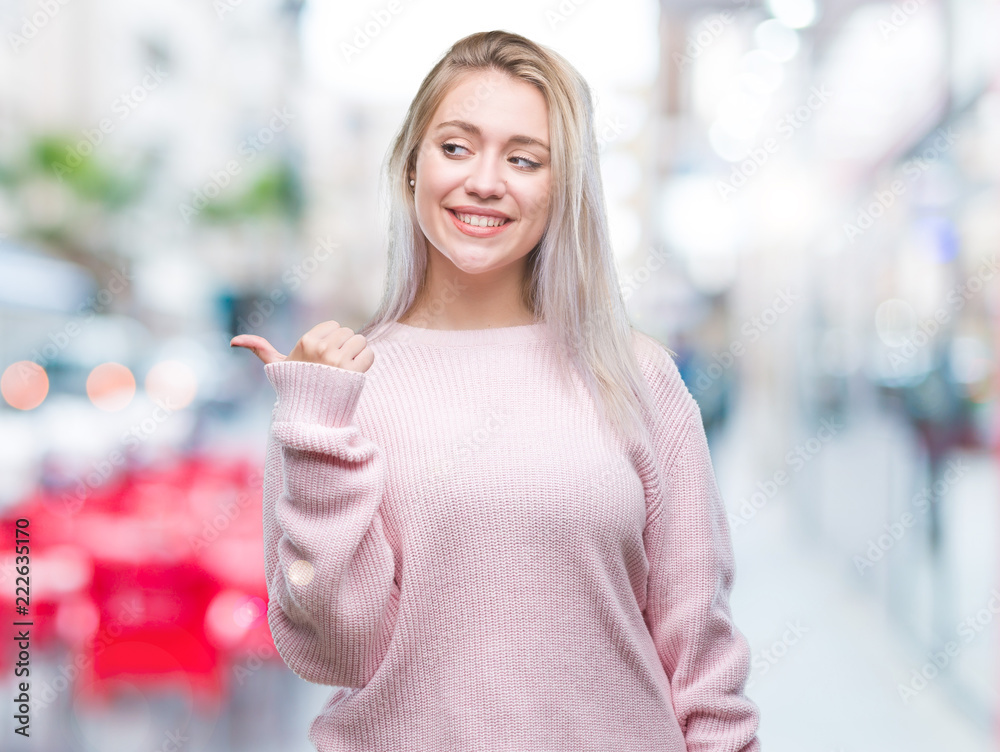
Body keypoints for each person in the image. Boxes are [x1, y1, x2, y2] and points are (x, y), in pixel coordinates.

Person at [231, 29, 762, 752]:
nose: (486, 180)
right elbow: (339, 653)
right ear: (411, 167)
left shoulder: (637, 376)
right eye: (456, 147)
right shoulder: (339, 391)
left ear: (562, 186)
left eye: (524, 159)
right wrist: (318, 432)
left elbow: (700, 647)